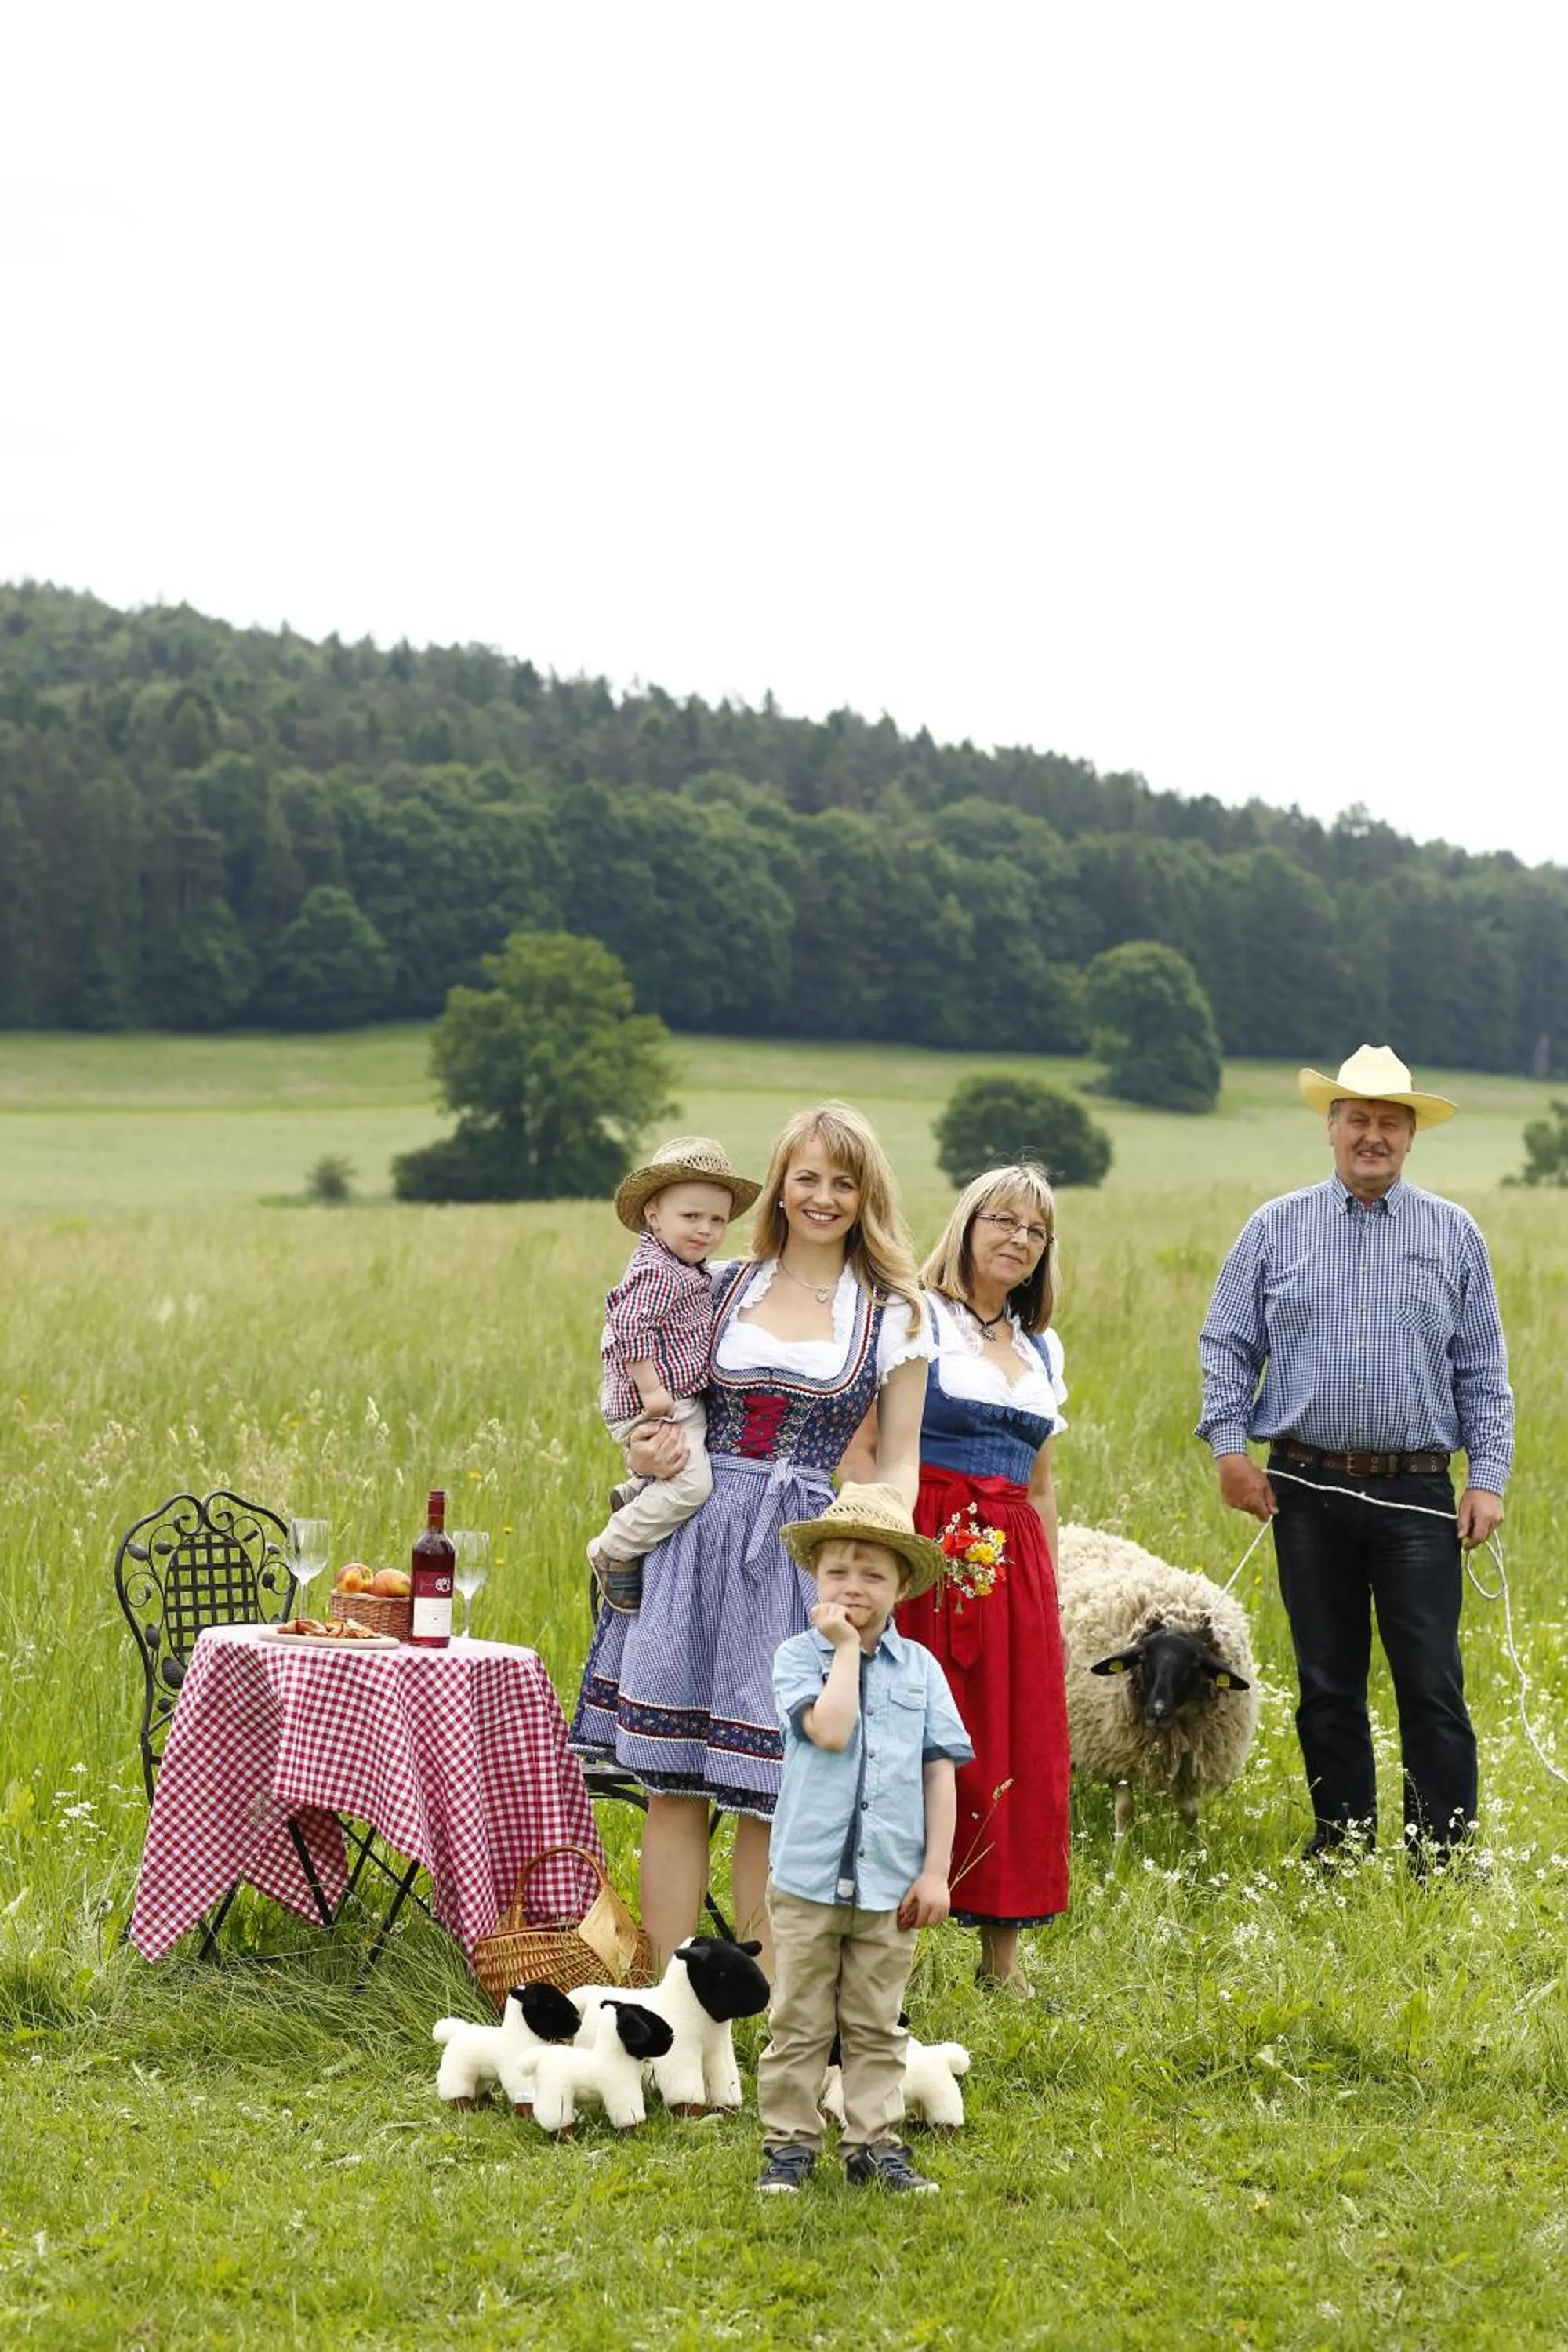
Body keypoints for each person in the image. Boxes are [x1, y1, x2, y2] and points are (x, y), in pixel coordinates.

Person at [571, 1102, 934, 1977]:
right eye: (806, 1178)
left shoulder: (893, 1314)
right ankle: (667, 1999)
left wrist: (871, 1565)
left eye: (842, 1182)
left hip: (801, 1554)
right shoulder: (722, 1285)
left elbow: (899, 1457)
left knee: (772, 1791)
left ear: (867, 1195)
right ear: (778, 1187)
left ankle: (762, 2002)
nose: (822, 1197)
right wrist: (641, 1445)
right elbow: (652, 1396)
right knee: (673, 1786)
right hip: (691, 1547)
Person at [1196, 1043, 1514, 1864]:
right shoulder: (1274, 1227)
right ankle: (1339, 1845)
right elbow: (1226, 1342)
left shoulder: (1453, 1234)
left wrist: (1486, 1478)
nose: (1373, 1136)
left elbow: (1482, 1368)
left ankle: (1440, 1855)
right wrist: (1230, 1449)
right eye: (1358, 1120)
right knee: (1327, 1679)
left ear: (1410, 1136)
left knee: (1430, 1680)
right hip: (1303, 1485)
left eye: (1389, 1123)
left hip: (1417, 1491)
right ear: (1331, 1129)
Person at [850, 1162, 1071, 1994]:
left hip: (1013, 1561)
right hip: (925, 1544)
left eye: (1035, 1231)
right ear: (968, 1224)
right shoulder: (916, 1316)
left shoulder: (1040, 1346)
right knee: (912, 1738)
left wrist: (1049, 1594)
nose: (1019, 1239)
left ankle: (1000, 1962)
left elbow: (1040, 1486)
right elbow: (865, 1447)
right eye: (1002, 1221)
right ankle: (886, 1949)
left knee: (1012, 1744)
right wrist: (882, 1553)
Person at [754, 1483, 972, 2197]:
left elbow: (940, 1774)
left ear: (902, 1587)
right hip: (808, 1879)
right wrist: (845, 1649)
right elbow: (831, 1729)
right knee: (799, 2021)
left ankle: (873, 2144)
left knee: (877, 2024)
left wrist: (935, 1872)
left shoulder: (923, 1673)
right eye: (838, 1571)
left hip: (889, 1882)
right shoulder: (797, 1658)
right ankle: (789, 2146)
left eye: (873, 1574)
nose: (853, 1587)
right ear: (815, 1577)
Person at [587, 1134, 760, 1613]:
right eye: (691, 1216)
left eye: (717, 1220)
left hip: (676, 1395)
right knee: (693, 1485)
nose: (705, 1229)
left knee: (690, 1460)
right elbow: (627, 1324)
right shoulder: (658, 1271)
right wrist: (652, 1390)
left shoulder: (686, 1267)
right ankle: (614, 1546)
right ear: (654, 1216)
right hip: (659, 1399)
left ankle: (636, 1492)